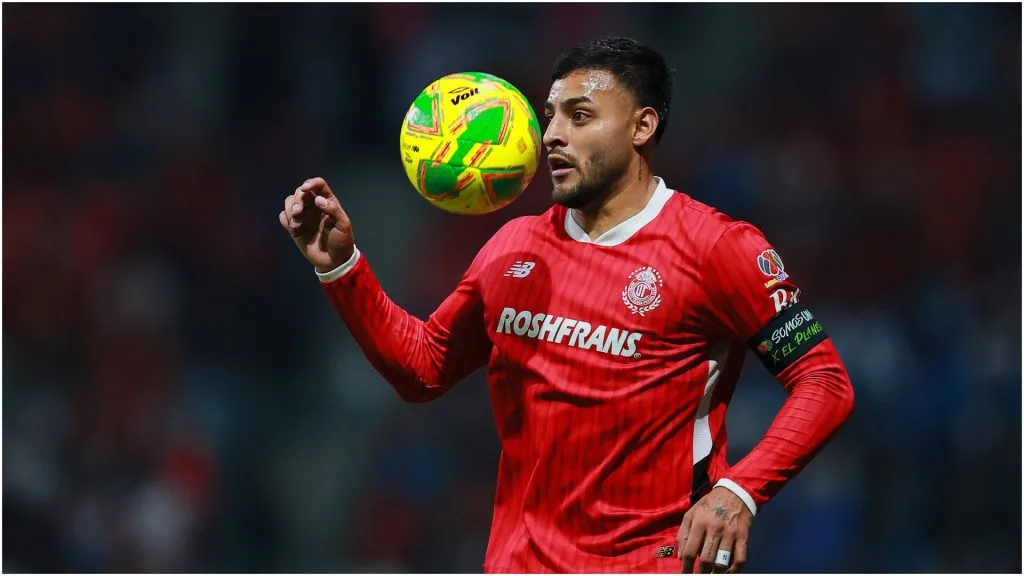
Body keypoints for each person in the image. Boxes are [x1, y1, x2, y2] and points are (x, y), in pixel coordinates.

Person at [278, 36, 854, 574]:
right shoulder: (513, 248)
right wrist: (341, 267)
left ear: (641, 127)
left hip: (653, 560)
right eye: (549, 115)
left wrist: (740, 490)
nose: (551, 134)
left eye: (579, 116)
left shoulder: (718, 249)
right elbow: (423, 370)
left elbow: (824, 382)